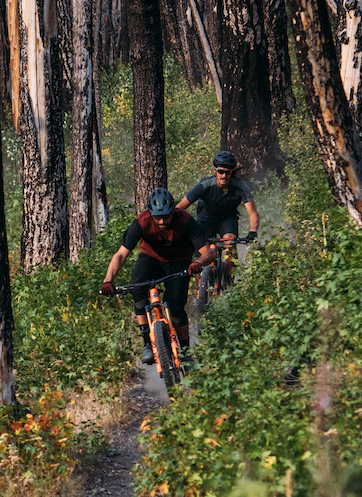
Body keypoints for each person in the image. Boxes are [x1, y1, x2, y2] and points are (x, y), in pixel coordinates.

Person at [99, 188, 204, 364]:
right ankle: (147, 343)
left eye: (166, 216)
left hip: (180, 260)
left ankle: (185, 351)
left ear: (172, 211)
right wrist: (108, 280)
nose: (162, 221)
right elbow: (121, 254)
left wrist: (198, 262)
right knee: (137, 288)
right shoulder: (142, 221)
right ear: (150, 213)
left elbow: (207, 251)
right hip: (151, 258)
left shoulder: (185, 221)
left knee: (176, 307)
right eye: (157, 217)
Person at [178, 151, 260, 276]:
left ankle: (229, 286)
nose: (224, 176)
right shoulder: (205, 185)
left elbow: (253, 213)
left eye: (228, 172)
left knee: (230, 244)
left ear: (232, 172)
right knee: (202, 255)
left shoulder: (240, 187)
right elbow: (180, 208)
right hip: (205, 219)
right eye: (220, 171)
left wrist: (253, 231)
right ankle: (202, 291)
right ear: (215, 171)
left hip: (227, 219)